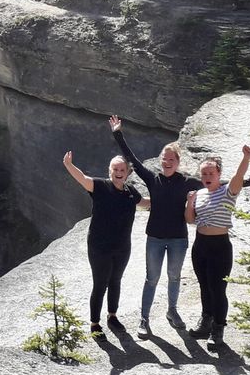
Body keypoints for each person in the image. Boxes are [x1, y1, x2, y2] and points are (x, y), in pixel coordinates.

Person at [110, 115, 202, 338]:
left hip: (178, 238)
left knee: (174, 277)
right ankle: (144, 318)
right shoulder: (152, 179)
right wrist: (117, 134)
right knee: (151, 278)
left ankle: (172, 311)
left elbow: (215, 183)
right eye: (164, 158)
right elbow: (131, 160)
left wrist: (244, 182)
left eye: (171, 159)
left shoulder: (188, 181)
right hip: (155, 238)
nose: (167, 162)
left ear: (178, 162)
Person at [63, 150, 150, 335]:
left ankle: (112, 316)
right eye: (115, 169)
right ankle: (95, 324)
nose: (118, 172)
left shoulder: (130, 191)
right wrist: (69, 165)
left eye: (122, 169)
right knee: (100, 284)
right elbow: (83, 179)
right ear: (109, 171)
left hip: (122, 247)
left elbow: (144, 202)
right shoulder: (101, 186)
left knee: (116, 281)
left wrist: (169, 200)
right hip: (99, 247)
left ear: (127, 173)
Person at [185, 145, 250, 349]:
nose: (207, 176)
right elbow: (190, 220)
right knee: (204, 286)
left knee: (218, 289)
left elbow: (238, 177)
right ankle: (205, 322)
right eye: (204, 173)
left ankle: (218, 329)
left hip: (220, 247)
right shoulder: (200, 193)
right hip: (200, 245)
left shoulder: (227, 191)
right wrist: (189, 203)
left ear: (218, 174)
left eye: (211, 173)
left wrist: (246, 157)